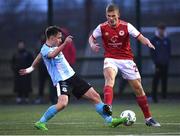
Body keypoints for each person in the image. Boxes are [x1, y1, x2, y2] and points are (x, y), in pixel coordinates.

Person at [19, 26, 128, 131]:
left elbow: (38, 57)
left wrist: (30, 68)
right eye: (59, 37)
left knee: (95, 96)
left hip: (72, 76)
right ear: (51, 38)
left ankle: (110, 121)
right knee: (63, 103)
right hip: (61, 80)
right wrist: (65, 43)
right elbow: (51, 55)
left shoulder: (51, 47)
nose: (61, 40)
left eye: (61, 38)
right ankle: (41, 122)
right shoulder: (46, 49)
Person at [88, 4, 160, 127]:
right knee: (109, 77)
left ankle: (148, 118)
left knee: (138, 88)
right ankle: (108, 107)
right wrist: (92, 44)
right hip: (110, 58)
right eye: (109, 16)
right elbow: (92, 37)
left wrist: (147, 42)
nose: (111, 18)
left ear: (118, 15)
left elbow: (140, 37)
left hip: (127, 60)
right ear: (106, 15)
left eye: (113, 16)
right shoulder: (102, 27)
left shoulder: (127, 26)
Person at [150, 23, 171, 103]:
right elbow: (152, 52)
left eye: (163, 29)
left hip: (165, 63)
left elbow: (169, 51)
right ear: (158, 30)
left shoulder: (167, 40)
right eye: (160, 29)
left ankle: (164, 97)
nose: (161, 31)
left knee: (164, 80)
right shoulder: (154, 40)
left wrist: (167, 60)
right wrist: (155, 62)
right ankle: (154, 97)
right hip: (157, 64)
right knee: (155, 80)